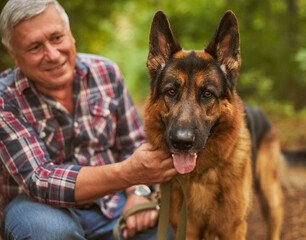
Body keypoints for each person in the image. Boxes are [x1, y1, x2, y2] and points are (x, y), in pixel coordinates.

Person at [0, 0, 177, 239]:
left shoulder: (106, 72)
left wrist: (140, 191)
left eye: (56, 38)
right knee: (48, 231)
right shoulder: (5, 99)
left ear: (71, 35)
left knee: (167, 229)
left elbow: (133, 144)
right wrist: (130, 174)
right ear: (15, 57)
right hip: (38, 207)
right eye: (34, 47)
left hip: (112, 205)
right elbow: (39, 179)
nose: (52, 55)